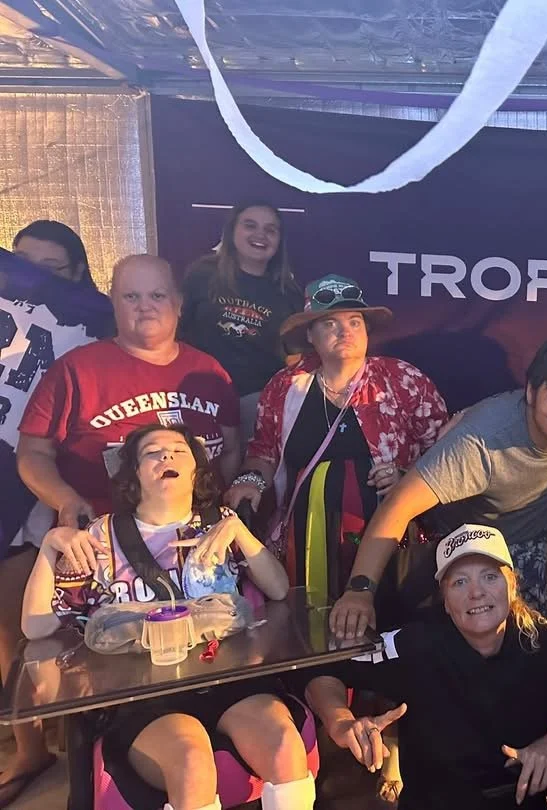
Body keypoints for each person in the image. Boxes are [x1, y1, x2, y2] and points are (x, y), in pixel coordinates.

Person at [21, 423, 315, 810]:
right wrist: (49, 547)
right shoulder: (99, 537)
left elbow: (279, 589)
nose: (166, 458)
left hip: (227, 679)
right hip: (141, 697)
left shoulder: (219, 524)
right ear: (134, 473)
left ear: (197, 470)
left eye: (179, 451)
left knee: (283, 745)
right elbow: (37, 626)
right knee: (192, 765)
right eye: (152, 452)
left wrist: (239, 531)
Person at [328, 337, 547, 639]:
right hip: (461, 544)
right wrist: (360, 590)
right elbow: (397, 508)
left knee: (532, 649)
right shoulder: (479, 442)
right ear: (530, 392)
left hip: (526, 544)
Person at [304, 523, 547, 810]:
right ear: (445, 600)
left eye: (489, 577)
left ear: (512, 587)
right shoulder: (414, 646)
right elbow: (322, 671)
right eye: (460, 582)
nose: (477, 593)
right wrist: (342, 721)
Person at [223, 274, 447, 608]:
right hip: (305, 541)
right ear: (310, 335)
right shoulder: (285, 387)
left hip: (390, 539)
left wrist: (407, 476)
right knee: (309, 627)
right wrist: (250, 480)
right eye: (330, 323)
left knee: (388, 622)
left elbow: (444, 453)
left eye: (355, 322)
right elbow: (264, 452)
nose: (346, 332)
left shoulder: (402, 379)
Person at [0, 221, 112, 807]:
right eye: (23, 265)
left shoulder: (93, 323)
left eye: (51, 269)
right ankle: (29, 744)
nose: (34, 280)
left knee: (35, 625)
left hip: (53, 486)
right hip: (8, 465)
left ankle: (62, 739)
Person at [18, 253, 242, 529]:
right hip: (103, 542)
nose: (145, 306)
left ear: (179, 303)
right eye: (131, 297)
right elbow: (32, 453)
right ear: (114, 304)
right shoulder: (75, 369)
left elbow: (231, 449)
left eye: (157, 296)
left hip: (198, 540)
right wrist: (65, 499)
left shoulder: (210, 371)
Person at [180, 202, 303, 440]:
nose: (260, 235)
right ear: (231, 231)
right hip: (201, 396)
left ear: (279, 241)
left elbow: (295, 356)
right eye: (250, 225)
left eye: (270, 230)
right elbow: (179, 329)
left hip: (255, 401)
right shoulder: (202, 274)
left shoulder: (288, 292)